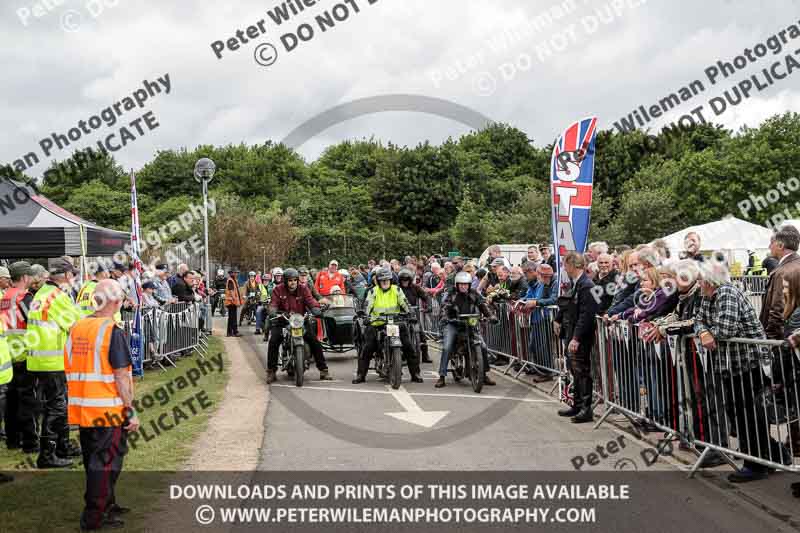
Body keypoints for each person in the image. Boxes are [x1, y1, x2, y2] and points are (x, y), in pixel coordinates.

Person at [695, 260, 789, 482]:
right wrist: (703, 333)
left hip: (749, 364)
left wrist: (708, 332)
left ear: (709, 280)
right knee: (742, 415)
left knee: (749, 415)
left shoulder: (727, 292)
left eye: (700, 279)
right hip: (732, 365)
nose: (698, 283)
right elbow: (698, 320)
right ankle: (774, 455)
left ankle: (755, 464)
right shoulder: (709, 295)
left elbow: (725, 329)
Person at [65, 278, 139, 530]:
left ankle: (107, 502)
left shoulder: (77, 327)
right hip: (108, 409)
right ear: (116, 302)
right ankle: (95, 515)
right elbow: (120, 375)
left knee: (94, 461)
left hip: (84, 407)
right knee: (106, 463)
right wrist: (130, 410)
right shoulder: (112, 331)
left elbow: (70, 364)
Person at [26, 257, 83, 467]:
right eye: (73, 275)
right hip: (52, 360)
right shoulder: (57, 296)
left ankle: (63, 446)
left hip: (40, 359)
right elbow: (76, 324)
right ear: (67, 276)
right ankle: (47, 455)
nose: (73, 278)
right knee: (57, 407)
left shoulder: (42, 293)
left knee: (58, 404)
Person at [352, 268, 422, 384]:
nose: (385, 282)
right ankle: (361, 375)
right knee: (367, 348)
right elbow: (367, 305)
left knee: (409, 346)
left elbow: (405, 303)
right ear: (378, 281)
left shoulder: (397, 290)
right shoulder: (373, 291)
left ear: (391, 280)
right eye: (382, 280)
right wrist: (366, 316)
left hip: (395, 323)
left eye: (387, 280)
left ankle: (415, 374)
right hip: (377, 324)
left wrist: (411, 313)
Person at [554, 252, 599, 424]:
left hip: (580, 335)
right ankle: (577, 404)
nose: (564, 268)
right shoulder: (577, 283)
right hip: (571, 330)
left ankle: (586, 408)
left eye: (566, 265)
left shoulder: (587, 285)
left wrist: (576, 338)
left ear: (573, 265)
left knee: (582, 371)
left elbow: (586, 315)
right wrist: (558, 319)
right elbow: (567, 304)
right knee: (574, 369)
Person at [266, 268, 331, 384]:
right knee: (274, 340)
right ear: (285, 281)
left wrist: (316, 310)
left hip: (300, 320)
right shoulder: (278, 290)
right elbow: (274, 303)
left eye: (295, 280)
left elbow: (311, 301)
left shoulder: (303, 289)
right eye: (290, 280)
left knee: (314, 341)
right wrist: (272, 311)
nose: (293, 283)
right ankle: (271, 371)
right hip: (284, 320)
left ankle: (323, 370)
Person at [435, 271, 498, 388]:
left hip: (470, 324)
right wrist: (445, 317)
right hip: (453, 324)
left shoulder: (474, 293)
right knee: (447, 346)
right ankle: (442, 376)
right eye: (461, 284)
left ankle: (483, 375)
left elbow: (483, 305)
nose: (464, 286)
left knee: (483, 346)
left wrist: (490, 316)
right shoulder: (451, 294)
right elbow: (444, 307)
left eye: (466, 284)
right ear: (457, 285)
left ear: (469, 285)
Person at [0, 262, 38, 453]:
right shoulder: (24, 297)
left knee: (11, 401)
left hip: (7, 355)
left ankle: (13, 440)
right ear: (24, 277)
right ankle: (31, 442)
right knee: (27, 401)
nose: (32, 279)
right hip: (23, 353)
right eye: (29, 276)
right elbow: (35, 322)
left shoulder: (4, 296)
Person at [760, 225, 800, 340]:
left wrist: (772, 340)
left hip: (785, 339)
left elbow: (778, 310)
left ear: (781, 245)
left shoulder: (782, 272)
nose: (769, 246)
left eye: (771, 242)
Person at [398, 269, 432, 363]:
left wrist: (429, 306)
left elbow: (426, 296)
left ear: (410, 280)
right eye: (403, 280)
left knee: (421, 333)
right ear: (400, 280)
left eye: (407, 280)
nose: (405, 282)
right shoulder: (396, 288)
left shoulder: (415, 287)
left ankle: (425, 355)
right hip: (400, 314)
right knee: (398, 333)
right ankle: (401, 353)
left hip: (413, 312)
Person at [224, 269, 242, 337]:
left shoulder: (233, 280)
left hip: (231, 302)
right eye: (235, 273)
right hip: (231, 302)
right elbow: (231, 292)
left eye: (237, 273)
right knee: (233, 318)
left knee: (231, 318)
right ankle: (234, 332)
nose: (237, 274)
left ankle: (230, 332)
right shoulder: (231, 280)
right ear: (232, 273)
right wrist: (236, 301)